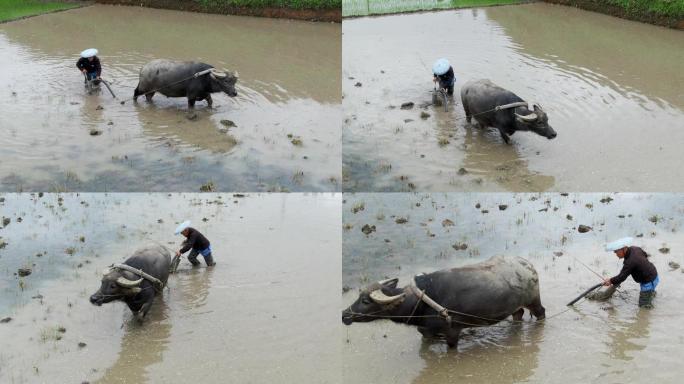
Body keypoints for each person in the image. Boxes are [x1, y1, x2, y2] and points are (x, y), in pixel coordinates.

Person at [603, 237, 659, 308]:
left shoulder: (630, 262)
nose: (615, 253)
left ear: (623, 249)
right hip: (654, 275)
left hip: (648, 282)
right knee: (650, 295)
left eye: (616, 251)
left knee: (643, 307)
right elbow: (645, 255)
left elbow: (622, 277)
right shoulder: (635, 248)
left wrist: (610, 281)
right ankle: (651, 295)